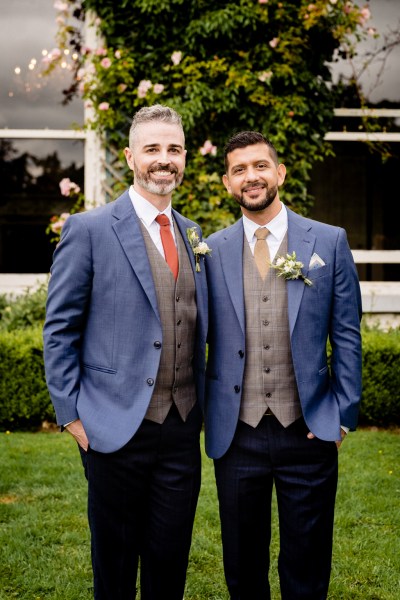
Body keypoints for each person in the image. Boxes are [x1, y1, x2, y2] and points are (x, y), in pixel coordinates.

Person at [43, 104, 208, 600]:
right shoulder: (89, 230)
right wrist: (71, 415)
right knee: (113, 567)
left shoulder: (194, 234)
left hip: (181, 429)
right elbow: (59, 329)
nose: (164, 159)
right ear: (131, 156)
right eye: (152, 149)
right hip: (112, 426)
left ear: (183, 160)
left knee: (170, 560)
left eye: (174, 149)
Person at [204, 131, 362, 600]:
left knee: (308, 560)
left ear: (280, 173)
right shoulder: (210, 251)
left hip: (308, 427)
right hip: (237, 431)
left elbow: (348, 333)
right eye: (239, 170)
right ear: (228, 183)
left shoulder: (328, 242)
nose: (250, 176)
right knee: (242, 562)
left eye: (259, 165)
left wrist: (343, 414)